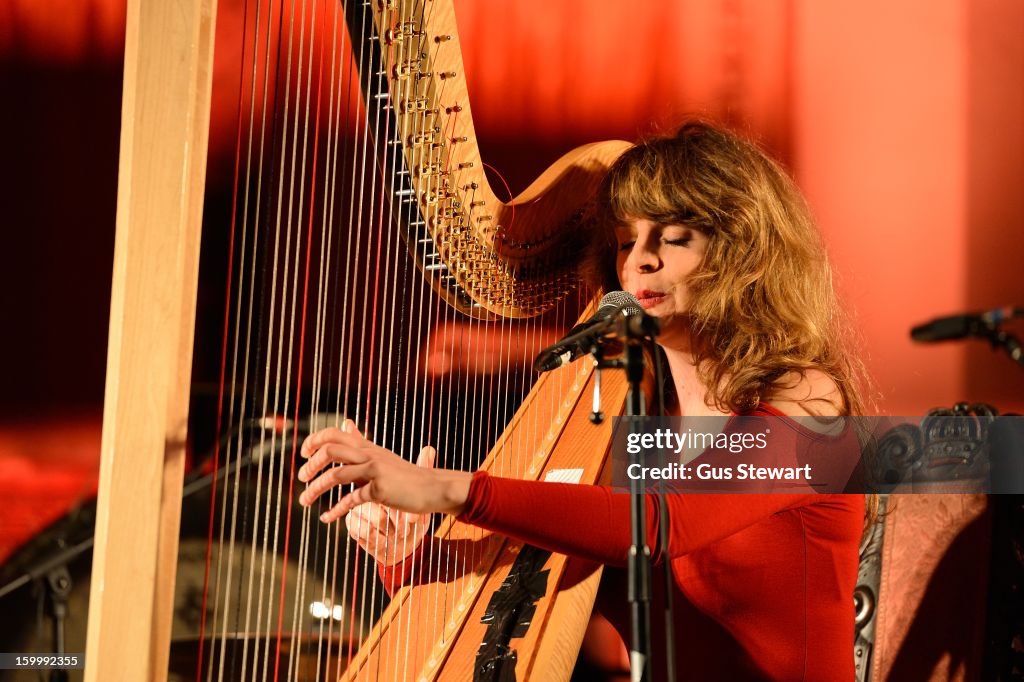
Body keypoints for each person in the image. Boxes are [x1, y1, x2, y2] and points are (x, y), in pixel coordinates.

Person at [295, 121, 871, 680]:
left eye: (670, 236)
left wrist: (447, 488)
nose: (639, 260)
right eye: (625, 240)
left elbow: (656, 524)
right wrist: (411, 557)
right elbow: (564, 617)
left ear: (743, 250)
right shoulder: (637, 420)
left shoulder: (805, 398)